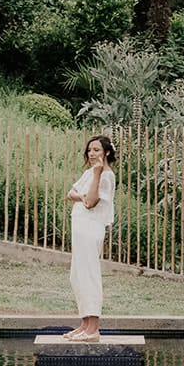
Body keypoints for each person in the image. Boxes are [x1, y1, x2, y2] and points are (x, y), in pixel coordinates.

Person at [64, 134, 117, 341]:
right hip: (79, 228)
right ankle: (84, 324)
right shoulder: (88, 173)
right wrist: (82, 196)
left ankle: (93, 329)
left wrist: (96, 174)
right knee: (77, 276)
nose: (92, 153)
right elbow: (71, 194)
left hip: (90, 229)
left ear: (107, 152)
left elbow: (91, 202)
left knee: (89, 276)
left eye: (97, 150)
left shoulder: (105, 176)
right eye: (90, 150)